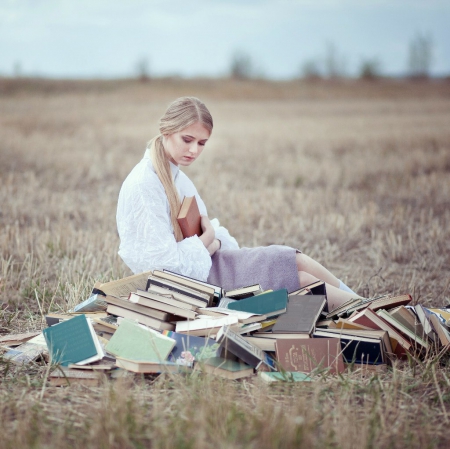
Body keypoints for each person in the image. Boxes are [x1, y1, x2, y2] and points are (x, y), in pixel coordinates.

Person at [116, 97, 362, 310]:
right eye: (187, 139)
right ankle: (373, 315)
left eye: (202, 143)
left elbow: (208, 238)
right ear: (166, 131)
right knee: (302, 280)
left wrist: (214, 240)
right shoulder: (143, 185)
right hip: (194, 286)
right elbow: (164, 269)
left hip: (210, 264)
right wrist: (207, 241)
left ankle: (369, 305)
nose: (193, 150)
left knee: (290, 258)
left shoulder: (175, 176)